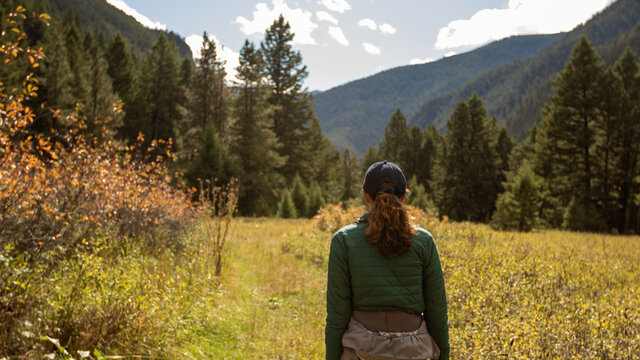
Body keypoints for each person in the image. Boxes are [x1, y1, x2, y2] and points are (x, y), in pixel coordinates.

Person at [325, 161, 449, 360]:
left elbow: (337, 315)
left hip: (360, 350)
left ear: (366, 195)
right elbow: (437, 312)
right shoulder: (424, 241)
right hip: (413, 352)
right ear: (403, 196)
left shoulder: (344, 240)